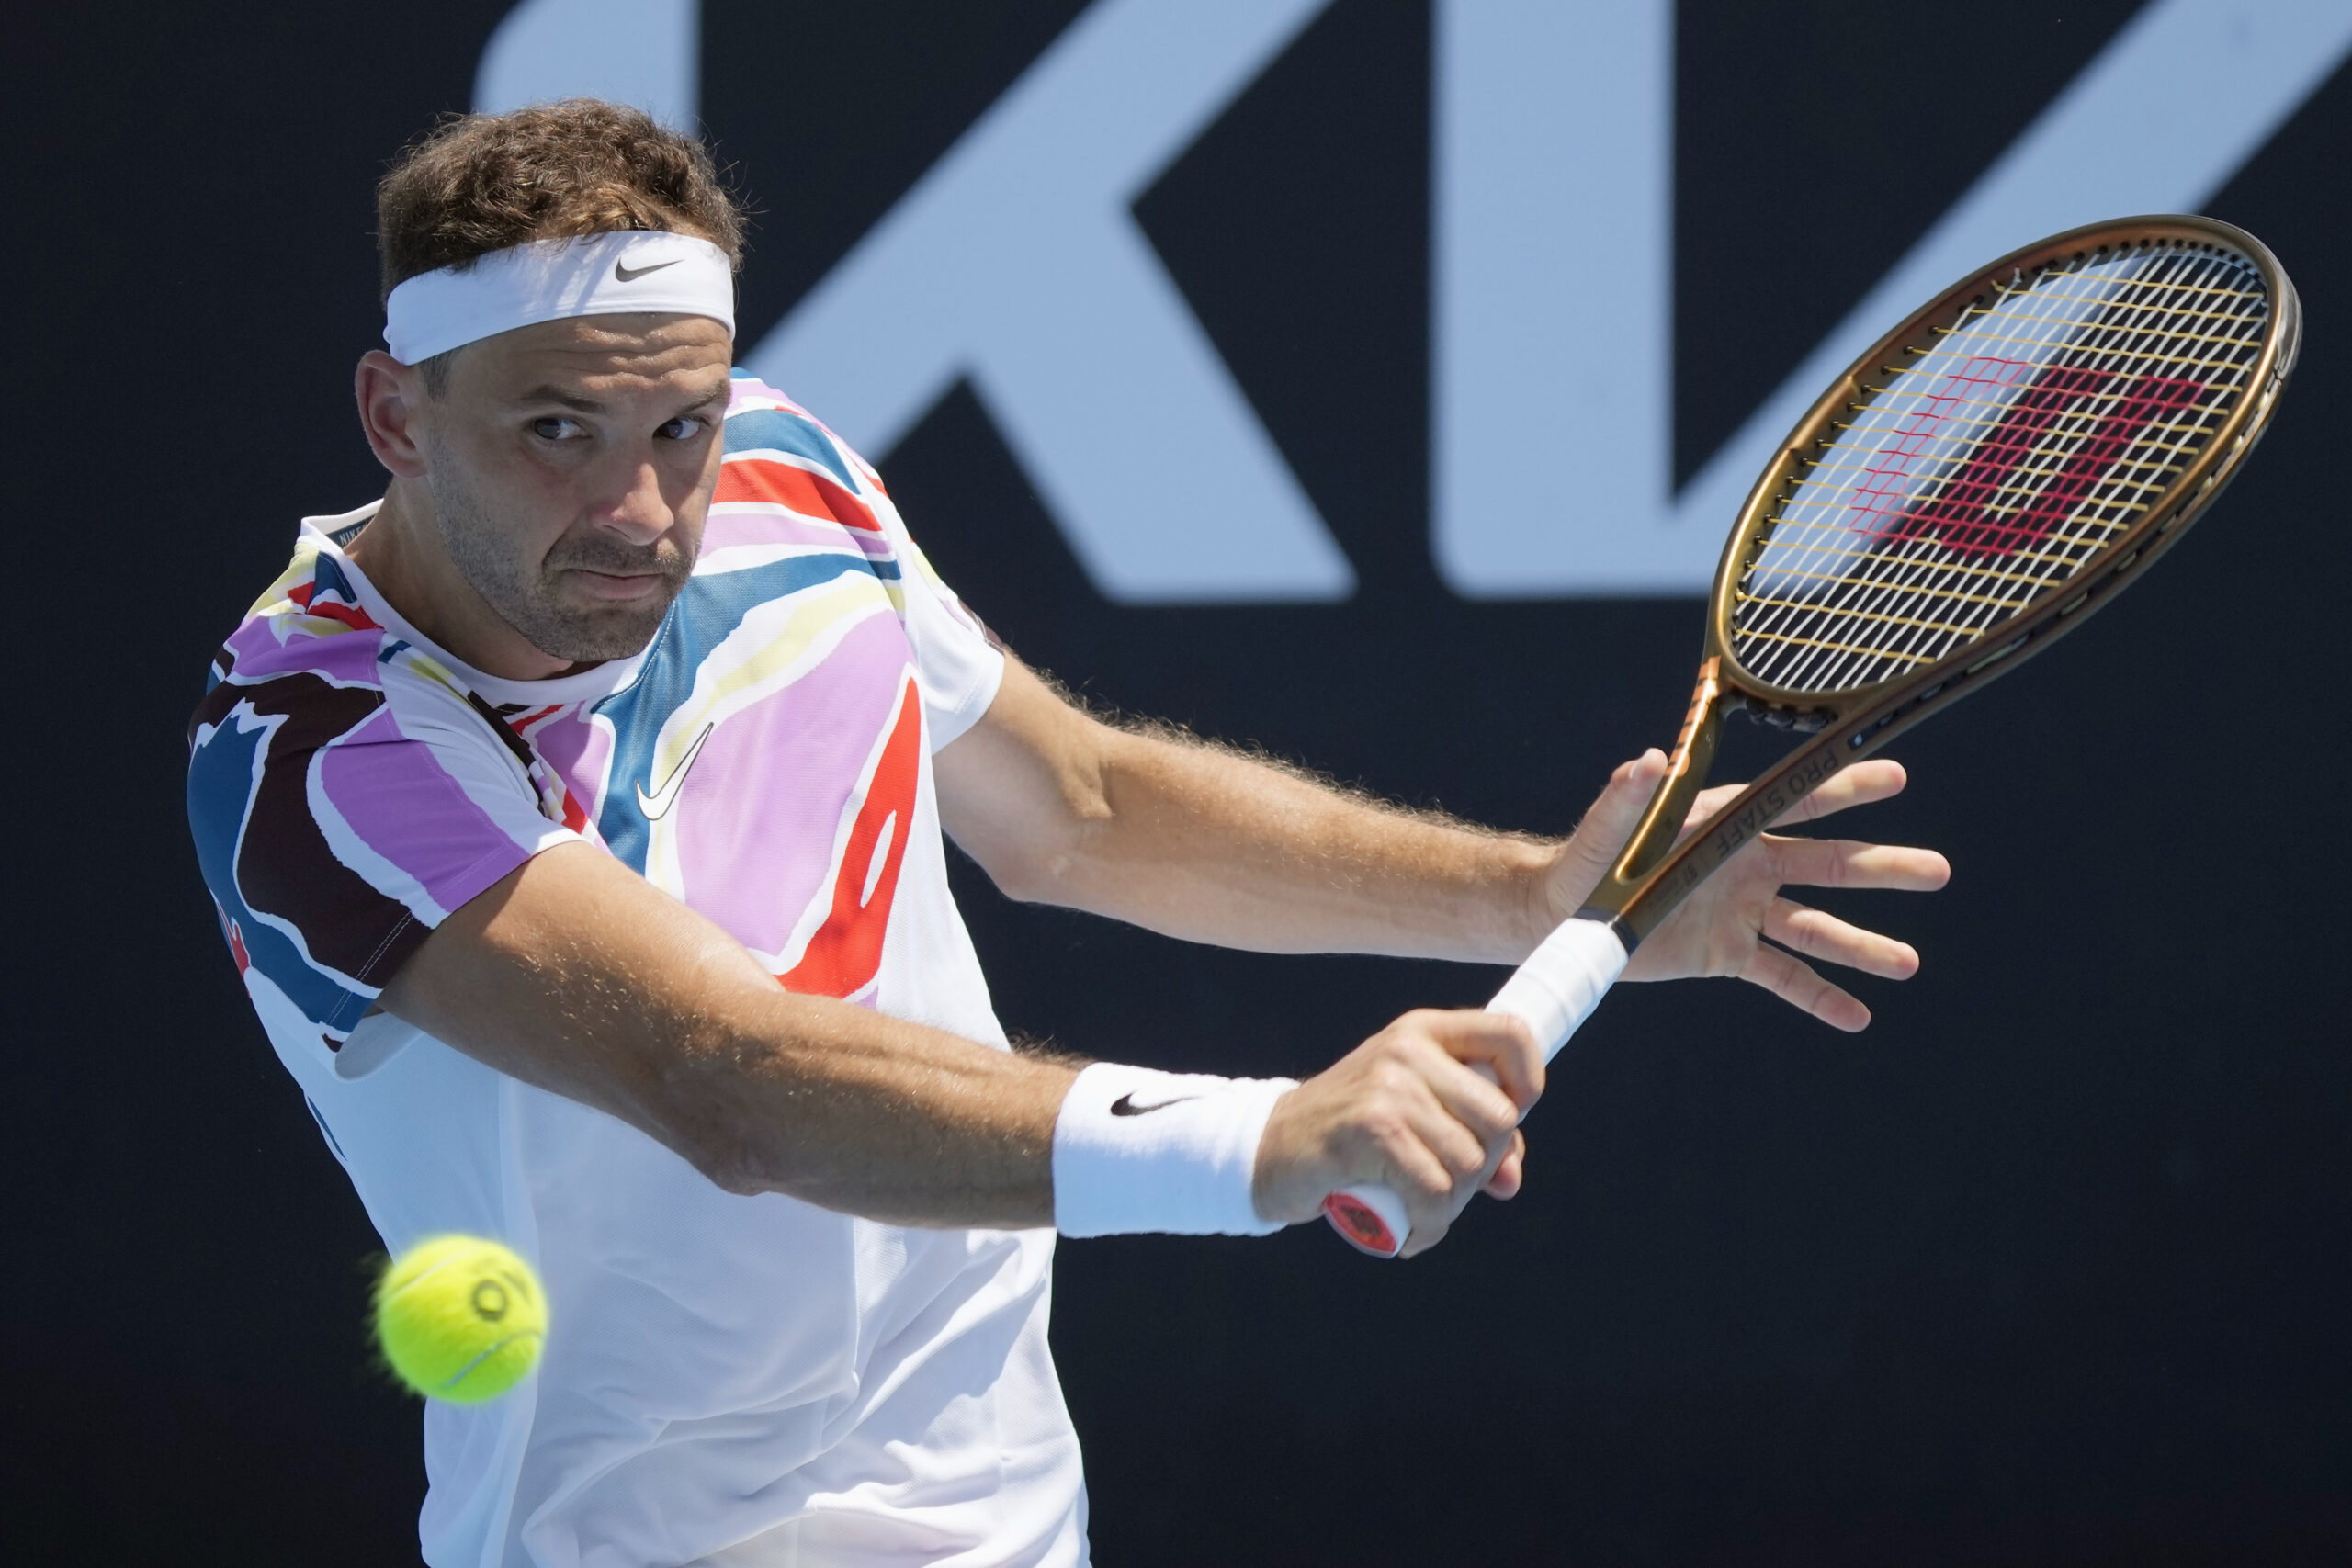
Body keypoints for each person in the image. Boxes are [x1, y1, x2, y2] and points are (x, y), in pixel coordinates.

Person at [185, 100, 1948, 1566]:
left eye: (679, 424)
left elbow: (1080, 808)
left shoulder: (786, 476)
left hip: (1001, 1507)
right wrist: (1267, 1140)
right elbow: (725, 1080)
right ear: (396, 416)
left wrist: (1531, 891)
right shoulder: (319, 751)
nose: (641, 509)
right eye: (557, 431)